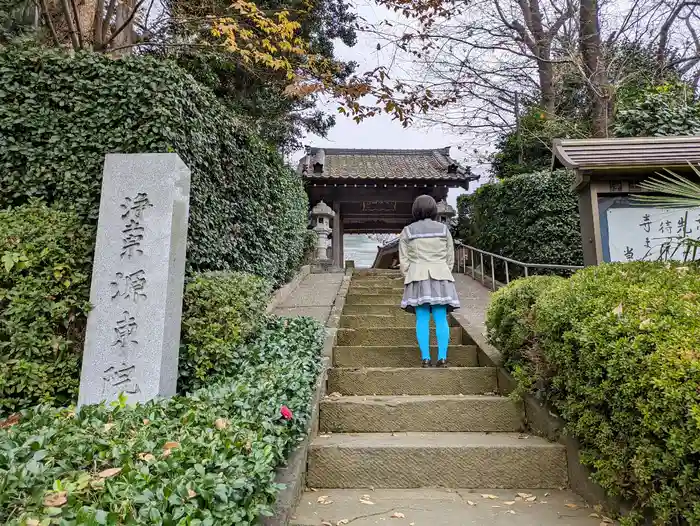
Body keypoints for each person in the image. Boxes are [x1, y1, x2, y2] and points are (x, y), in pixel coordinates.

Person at [398, 195, 460, 367]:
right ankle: (442, 357)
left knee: (422, 318)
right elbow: (450, 256)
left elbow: (404, 261)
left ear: (415, 210)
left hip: (417, 275)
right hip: (441, 274)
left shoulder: (407, 231)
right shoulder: (443, 229)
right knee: (441, 317)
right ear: (434, 210)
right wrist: (443, 269)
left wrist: (409, 274)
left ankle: (425, 358)